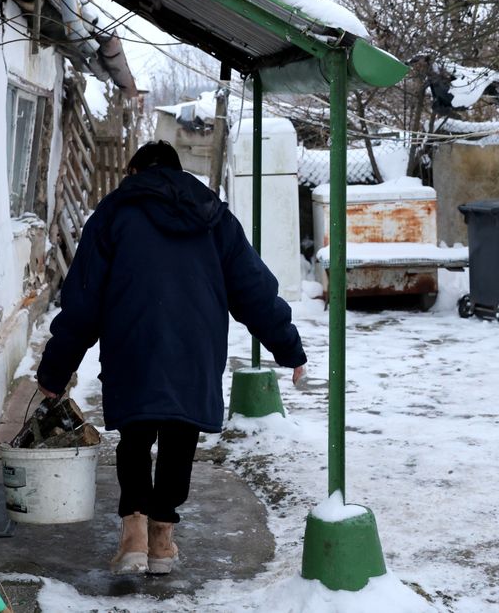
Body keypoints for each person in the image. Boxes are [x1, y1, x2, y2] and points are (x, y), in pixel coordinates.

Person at [35, 140, 306, 576]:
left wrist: (55, 370)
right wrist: (288, 346)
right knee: (181, 438)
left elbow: (83, 302)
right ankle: (162, 541)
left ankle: (134, 539)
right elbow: (253, 289)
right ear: (180, 173)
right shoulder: (215, 217)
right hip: (195, 348)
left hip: (132, 343)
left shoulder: (114, 214)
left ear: (135, 171)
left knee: (136, 435)